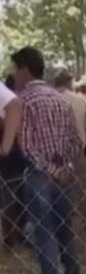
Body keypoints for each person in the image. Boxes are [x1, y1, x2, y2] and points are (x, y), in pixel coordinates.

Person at [8, 47, 83, 274]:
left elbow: (26, 144)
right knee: (64, 227)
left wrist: (50, 169)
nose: (14, 75)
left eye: (15, 69)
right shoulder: (60, 98)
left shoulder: (23, 100)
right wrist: (66, 168)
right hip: (63, 173)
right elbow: (75, 139)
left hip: (39, 174)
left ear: (25, 70)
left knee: (44, 230)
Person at [53, 68, 86, 230]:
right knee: (84, 189)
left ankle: (63, 222)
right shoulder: (79, 101)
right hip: (78, 150)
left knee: (60, 189)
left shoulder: (50, 99)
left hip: (55, 154)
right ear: (69, 83)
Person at [0, 75, 27, 249]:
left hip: (9, 157)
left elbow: (13, 105)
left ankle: (13, 238)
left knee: (10, 196)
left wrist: (5, 146)